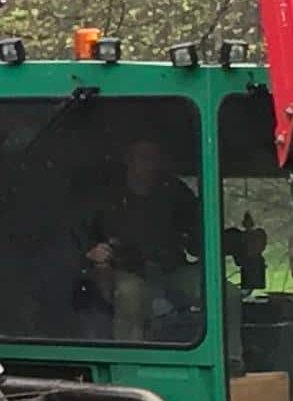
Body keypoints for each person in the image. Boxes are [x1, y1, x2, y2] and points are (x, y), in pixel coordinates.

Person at [80, 126, 202, 342]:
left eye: (154, 157)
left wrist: (236, 241)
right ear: (128, 159)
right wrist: (92, 252)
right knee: (129, 293)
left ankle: (231, 361)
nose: (150, 164)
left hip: (172, 271)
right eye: (143, 157)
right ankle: (129, 366)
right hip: (126, 272)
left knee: (223, 292)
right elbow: (82, 238)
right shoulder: (105, 196)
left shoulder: (175, 192)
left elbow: (199, 237)